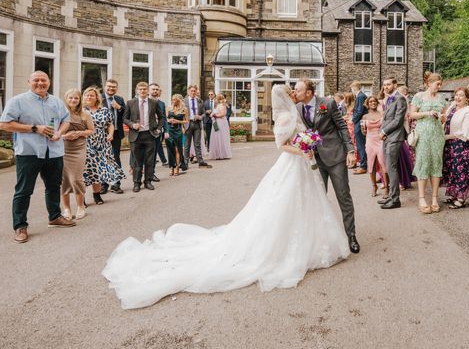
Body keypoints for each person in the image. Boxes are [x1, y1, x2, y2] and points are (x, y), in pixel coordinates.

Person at [103, 84, 350, 309]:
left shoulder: (294, 111)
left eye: (295, 91)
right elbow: (281, 145)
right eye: (291, 92)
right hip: (292, 164)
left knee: (305, 204)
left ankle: (312, 241)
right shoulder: (285, 116)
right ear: (286, 96)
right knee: (284, 206)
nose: (294, 94)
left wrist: (307, 145)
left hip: (301, 167)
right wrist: (303, 150)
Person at [0, 71, 76, 243]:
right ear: (29, 82)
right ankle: (20, 226)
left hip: (54, 151)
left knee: (53, 186)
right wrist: (35, 128)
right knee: (24, 191)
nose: (40, 83)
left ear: (49, 82)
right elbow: (4, 124)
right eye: (36, 80)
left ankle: (55, 217)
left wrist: (60, 132)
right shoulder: (17, 101)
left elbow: (67, 120)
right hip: (29, 152)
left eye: (44, 80)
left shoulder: (56, 102)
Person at [294, 79, 360, 254]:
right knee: (318, 198)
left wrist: (351, 151)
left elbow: (342, 127)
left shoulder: (328, 104)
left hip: (335, 156)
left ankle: (351, 235)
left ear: (308, 92)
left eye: (298, 90)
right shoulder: (298, 108)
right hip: (315, 161)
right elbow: (301, 133)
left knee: (343, 196)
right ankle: (321, 238)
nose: (295, 92)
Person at [410, 72, 447, 214]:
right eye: (437, 84)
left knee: (436, 164)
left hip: (437, 135)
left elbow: (444, 119)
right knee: (423, 162)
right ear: (429, 83)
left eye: (440, 84)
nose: (439, 86)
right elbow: (412, 115)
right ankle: (421, 198)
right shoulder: (419, 97)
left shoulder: (441, 98)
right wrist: (427, 113)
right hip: (423, 135)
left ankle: (434, 199)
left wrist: (442, 116)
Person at [83, 86, 126, 204]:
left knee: (98, 170)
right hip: (86, 143)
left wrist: (110, 134)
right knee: (85, 171)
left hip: (102, 143)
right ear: (84, 97)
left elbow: (110, 124)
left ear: (97, 97)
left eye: (92, 95)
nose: (89, 97)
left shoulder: (104, 110)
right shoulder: (81, 111)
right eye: (87, 95)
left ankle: (97, 195)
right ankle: (81, 198)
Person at [123, 82, 166, 192]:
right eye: (140, 89)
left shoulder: (153, 102)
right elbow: (125, 118)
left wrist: (159, 128)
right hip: (135, 135)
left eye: (144, 89)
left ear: (147, 91)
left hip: (149, 134)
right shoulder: (130, 103)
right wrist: (132, 124)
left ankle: (148, 181)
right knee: (137, 161)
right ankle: (136, 183)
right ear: (137, 91)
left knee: (149, 160)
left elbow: (161, 117)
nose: (142, 91)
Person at [61, 89, 94, 220]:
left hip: (79, 149)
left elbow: (91, 130)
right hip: (63, 150)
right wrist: (65, 136)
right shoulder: (61, 113)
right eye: (70, 98)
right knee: (64, 180)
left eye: (76, 98)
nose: (73, 100)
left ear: (80, 100)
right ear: (66, 98)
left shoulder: (85, 114)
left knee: (76, 179)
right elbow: (53, 133)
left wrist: (80, 133)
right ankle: (67, 209)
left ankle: (81, 206)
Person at [378, 77, 407, 209]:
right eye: (384, 85)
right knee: (389, 168)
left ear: (395, 85)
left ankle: (395, 200)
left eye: (388, 84)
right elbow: (386, 118)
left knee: (392, 168)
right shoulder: (389, 98)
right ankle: (391, 196)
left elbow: (398, 120)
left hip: (395, 137)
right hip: (388, 137)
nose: (386, 87)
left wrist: (383, 131)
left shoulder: (400, 98)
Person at [100, 79, 125, 194]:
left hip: (116, 133)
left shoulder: (119, 99)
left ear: (117, 88)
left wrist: (119, 107)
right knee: (102, 159)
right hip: (101, 134)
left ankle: (116, 184)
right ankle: (103, 184)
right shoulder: (99, 98)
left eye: (114, 87)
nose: (111, 89)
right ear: (105, 87)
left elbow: (125, 114)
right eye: (109, 86)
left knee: (115, 158)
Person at [361, 96, 388, 198]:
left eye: (375, 101)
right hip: (370, 141)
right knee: (371, 164)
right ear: (368, 104)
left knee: (383, 164)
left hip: (381, 141)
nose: (373, 103)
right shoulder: (364, 117)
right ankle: (374, 186)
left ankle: (386, 187)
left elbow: (386, 127)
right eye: (371, 101)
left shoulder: (382, 114)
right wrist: (363, 129)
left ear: (377, 103)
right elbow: (363, 131)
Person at [184, 85, 211, 168]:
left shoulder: (199, 101)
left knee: (197, 144)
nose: (193, 92)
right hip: (187, 124)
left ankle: (200, 161)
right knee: (187, 144)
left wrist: (201, 117)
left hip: (197, 124)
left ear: (196, 92)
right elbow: (180, 113)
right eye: (191, 91)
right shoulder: (184, 101)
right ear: (188, 92)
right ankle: (185, 163)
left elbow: (204, 113)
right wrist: (182, 126)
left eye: (194, 91)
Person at [165, 94, 188, 176]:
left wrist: (177, 121)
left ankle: (177, 167)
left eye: (175, 100)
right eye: (172, 100)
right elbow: (165, 119)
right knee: (170, 150)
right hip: (169, 130)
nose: (173, 101)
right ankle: (172, 167)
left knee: (178, 149)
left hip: (178, 131)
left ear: (179, 100)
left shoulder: (184, 109)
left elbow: (186, 121)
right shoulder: (168, 108)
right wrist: (169, 120)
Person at [149, 83, 168, 177]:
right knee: (146, 154)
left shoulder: (161, 103)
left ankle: (152, 174)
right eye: (153, 89)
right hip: (145, 131)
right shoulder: (144, 101)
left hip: (158, 131)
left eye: (157, 89)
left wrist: (166, 130)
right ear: (149, 90)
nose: (155, 91)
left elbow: (163, 118)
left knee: (154, 152)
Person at [207, 94, 232, 160]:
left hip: (221, 122)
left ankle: (222, 154)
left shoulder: (223, 105)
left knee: (221, 137)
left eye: (217, 99)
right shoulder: (217, 106)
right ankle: (218, 153)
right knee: (216, 137)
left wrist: (215, 115)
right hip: (216, 122)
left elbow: (223, 114)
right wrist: (212, 115)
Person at [350, 81, 367, 175]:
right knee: (361, 145)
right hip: (359, 122)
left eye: (351, 89)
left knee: (361, 145)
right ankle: (363, 164)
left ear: (354, 88)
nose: (351, 91)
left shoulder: (360, 96)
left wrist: (353, 120)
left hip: (359, 123)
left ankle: (363, 166)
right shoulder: (360, 96)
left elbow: (360, 111)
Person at [342, 92, 359, 169]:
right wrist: (344, 117)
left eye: (345, 98)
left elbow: (353, 116)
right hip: (348, 125)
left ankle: (354, 162)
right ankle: (350, 160)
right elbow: (347, 115)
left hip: (352, 125)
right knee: (349, 142)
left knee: (353, 143)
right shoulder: (347, 106)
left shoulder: (354, 106)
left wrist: (347, 118)